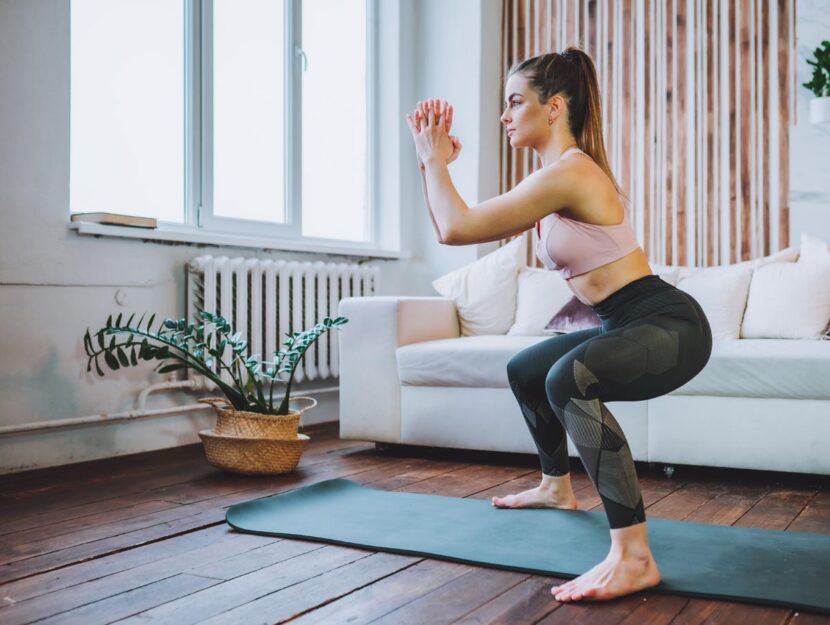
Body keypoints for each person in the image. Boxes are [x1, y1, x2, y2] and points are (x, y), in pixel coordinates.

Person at [404, 46, 713, 603]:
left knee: (567, 379)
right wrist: (435, 165)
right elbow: (447, 227)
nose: (504, 115)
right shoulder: (552, 176)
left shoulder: (570, 173)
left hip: (669, 324)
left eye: (514, 101)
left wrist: (434, 160)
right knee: (527, 368)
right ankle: (555, 486)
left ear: (554, 108)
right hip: (621, 322)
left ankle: (634, 556)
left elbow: (458, 227)